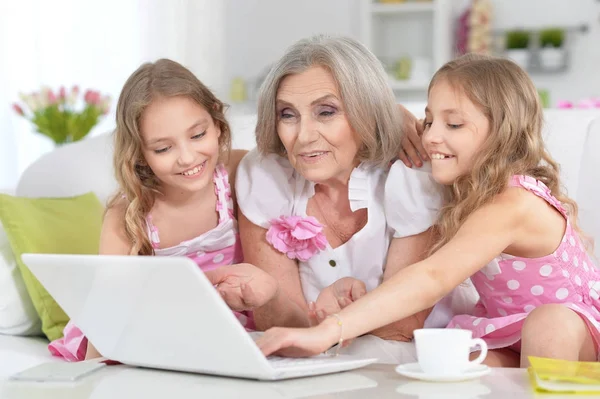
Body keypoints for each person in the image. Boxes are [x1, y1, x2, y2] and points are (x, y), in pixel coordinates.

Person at [256, 53, 600, 368]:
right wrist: (394, 118)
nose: (432, 137)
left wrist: (326, 333)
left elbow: (431, 277)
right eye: (429, 120)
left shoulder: (514, 203)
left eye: (453, 125)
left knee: (549, 322)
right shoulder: (467, 183)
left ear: (502, 133)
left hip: (576, 332)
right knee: (451, 367)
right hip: (510, 332)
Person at [209, 35, 477, 363]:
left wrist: (327, 325)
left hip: (416, 363)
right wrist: (271, 299)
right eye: (288, 115)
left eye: (326, 112)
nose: (304, 136)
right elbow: (279, 329)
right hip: (316, 363)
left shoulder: (411, 176)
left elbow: (399, 329)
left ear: (365, 111)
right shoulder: (266, 177)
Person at [48, 59, 277, 361]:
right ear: (139, 154)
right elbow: (108, 308)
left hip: (233, 327)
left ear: (217, 125)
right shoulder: (128, 215)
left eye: (197, 135)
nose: (187, 157)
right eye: (163, 149)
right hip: (158, 331)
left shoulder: (238, 172)